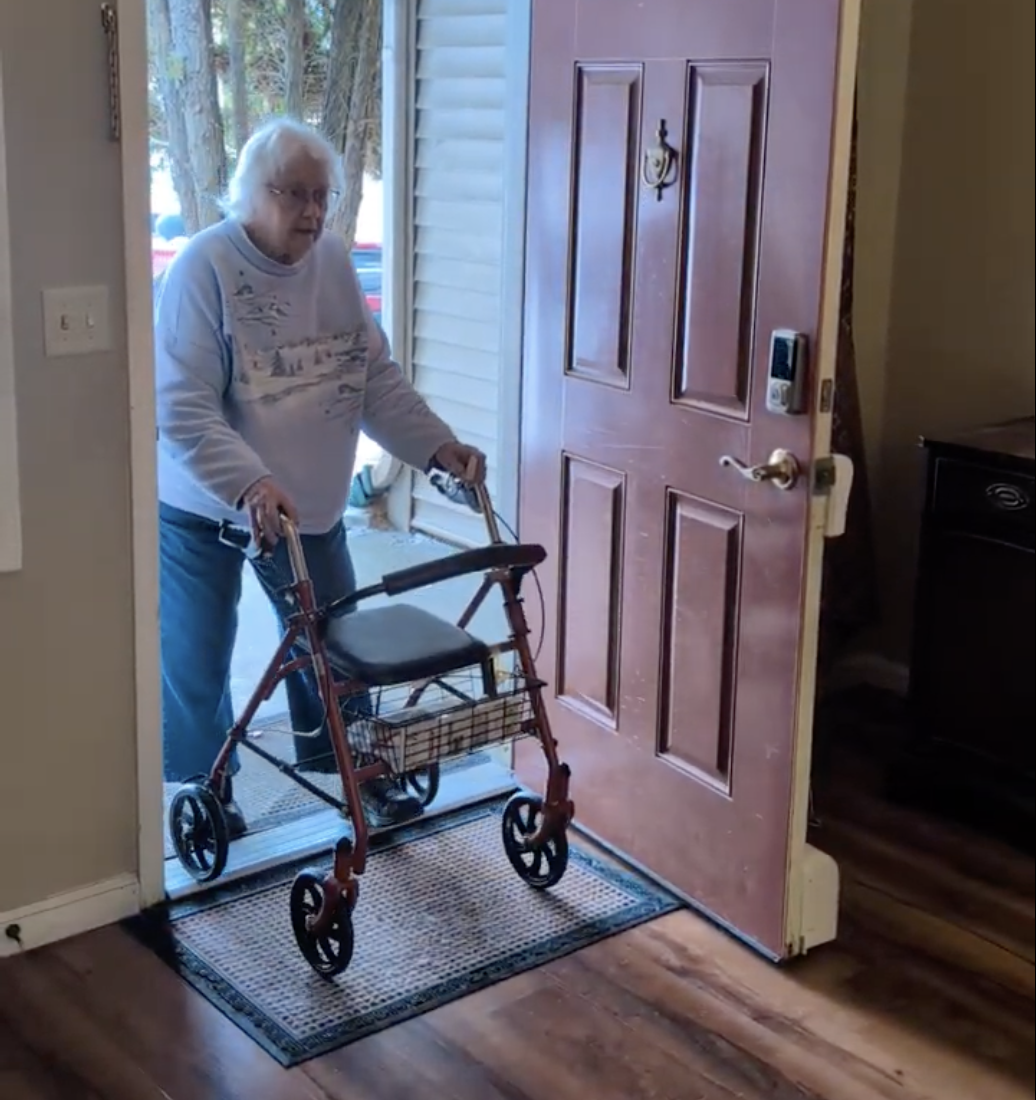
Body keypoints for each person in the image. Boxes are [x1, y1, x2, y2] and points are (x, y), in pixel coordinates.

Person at [154, 117, 485, 837]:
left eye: (322, 197)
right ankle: (206, 792)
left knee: (335, 643)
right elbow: (180, 408)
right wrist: (246, 481)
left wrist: (438, 448)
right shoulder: (201, 270)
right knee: (196, 655)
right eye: (293, 194)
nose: (311, 212)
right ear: (247, 193)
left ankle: (354, 774)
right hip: (204, 504)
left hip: (309, 508)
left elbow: (373, 382)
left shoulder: (332, 264)